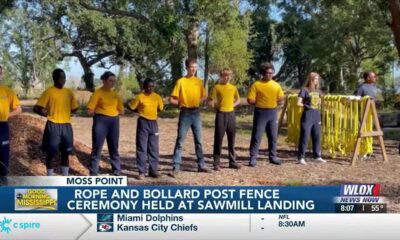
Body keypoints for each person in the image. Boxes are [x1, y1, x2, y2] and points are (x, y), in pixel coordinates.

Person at [34, 68, 78, 176]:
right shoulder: (49, 92)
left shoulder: (69, 92)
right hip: (53, 125)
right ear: (54, 79)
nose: (63, 80)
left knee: (66, 153)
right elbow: (37, 108)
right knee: (51, 153)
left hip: (66, 126)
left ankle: (65, 178)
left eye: (64, 78)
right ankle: (50, 177)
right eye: (60, 78)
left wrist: (67, 112)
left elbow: (75, 107)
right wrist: (47, 114)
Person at [169, 58, 209, 175]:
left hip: (196, 113)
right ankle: (176, 167)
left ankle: (201, 165)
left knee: (198, 140)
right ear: (187, 68)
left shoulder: (198, 81)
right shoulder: (181, 81)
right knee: (180, 141)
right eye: (192, 67)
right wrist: (180, 103)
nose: (194, 69)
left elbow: (205, 95)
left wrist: (198, 101)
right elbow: (172, 99)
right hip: (185, 113)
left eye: (195, 67)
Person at [87, 71, 124, 176]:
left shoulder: (115, 95)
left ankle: (116, 169)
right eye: (110, 81)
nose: (112, 83)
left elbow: (121, 110)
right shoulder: (97, 93)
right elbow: (90, 110)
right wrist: (100, 112)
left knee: (114, 146)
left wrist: (115, 113)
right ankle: (94, 171)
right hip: (100, 121)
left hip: (114, 121)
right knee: (97, 146)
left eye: (114, 81)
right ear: (104, 81)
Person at [247, 62, 284, 166]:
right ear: (263, 73)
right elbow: (250, 99)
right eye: (268, 73)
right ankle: (253, 157)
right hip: (260, 112)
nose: (270, 75)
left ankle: (273, 157)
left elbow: (281, 98)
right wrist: (258, 102)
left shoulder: (276, 85)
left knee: (273, 136)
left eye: (272, 73)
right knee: (257, 136)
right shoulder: (257, 84)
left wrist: (278, 101)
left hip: (272, 112)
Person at [128, 78, 164, 179]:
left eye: (152, 86)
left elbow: (160, 109)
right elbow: (131, 107)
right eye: (148, 86)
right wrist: (140, 110)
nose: (150, 88)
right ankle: (142, 171)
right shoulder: (140, 97)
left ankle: (153, 170)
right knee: (142, 147)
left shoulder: (157, 97)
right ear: (144, 87)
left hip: (153, 123)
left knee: (154, 147)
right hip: (143, 122)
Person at [208, 68, 241, 171]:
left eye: (228, 75)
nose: (226, 77)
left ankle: (232, 161)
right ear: (221, 76)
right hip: (221, 114)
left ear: (230, 76)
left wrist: (233, 105)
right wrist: (214, 106)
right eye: (224, 75)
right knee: (218, 138)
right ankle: (216, 163)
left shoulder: (233, 88)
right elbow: (210, 101)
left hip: (231, 114)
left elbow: (238, 99)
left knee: (231, 138)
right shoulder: (216, 87)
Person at [297, 72, 326, 165]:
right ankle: (301, 157)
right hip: (308, 114)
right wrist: (306, 106)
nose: (316, 81)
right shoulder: (305, 90)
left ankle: (317, 156)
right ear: (310, 79)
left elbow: (322, 102)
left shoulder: (319, 91)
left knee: (317, 136)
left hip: (316, 114)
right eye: (314, 79)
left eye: (318, 79)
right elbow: (298, 103)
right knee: (305, 135)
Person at [0, 65, 22, 178]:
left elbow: (18, 109)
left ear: (1, 75)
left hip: (2, 127)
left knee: (3, 154)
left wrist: (6, 115)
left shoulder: (7, 91)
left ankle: (3, 181)